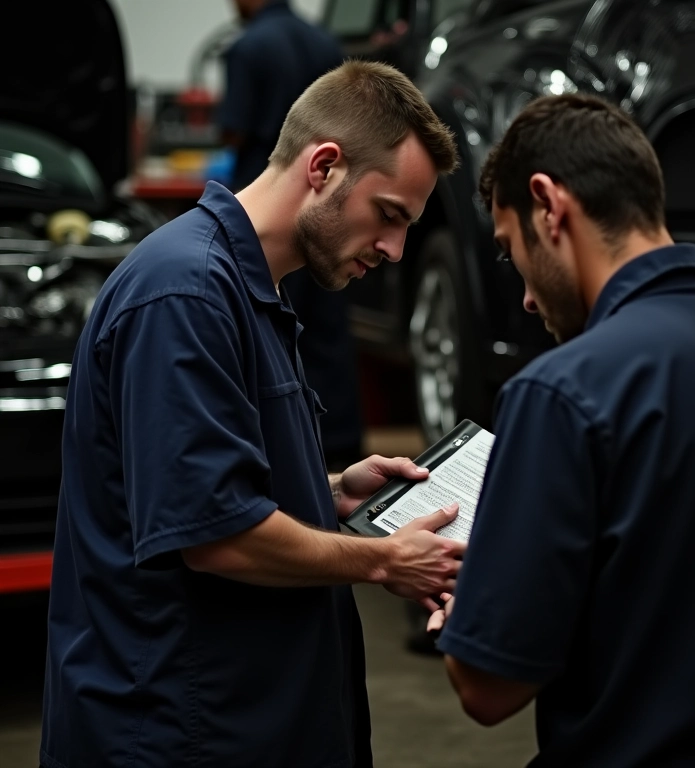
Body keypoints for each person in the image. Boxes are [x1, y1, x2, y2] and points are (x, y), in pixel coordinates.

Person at [41, 61, 460, 768]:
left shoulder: (248, 290)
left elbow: (200, 483)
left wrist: (327, 491)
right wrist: (385, 558)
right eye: (389, 215)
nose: (393, 251)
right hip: (180, 734)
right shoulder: (185, 295)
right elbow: (215, 536)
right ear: (324, 166)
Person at [428, 93, 695, 766]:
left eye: (509, 250)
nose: (524, 296)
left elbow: (488, 688)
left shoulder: (560, 392)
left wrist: (463, 608)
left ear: (549, 205)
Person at [219, 0, 363, 470]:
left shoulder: (248, 47)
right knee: (325, 326)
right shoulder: (326, 43)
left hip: (268, 212)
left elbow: (233, 133)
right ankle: (336, 440)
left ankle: (282, 453)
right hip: (329, 212)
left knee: (269, 327)